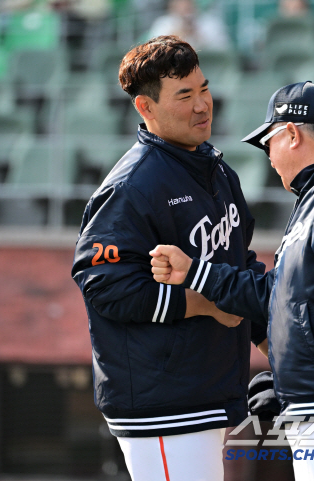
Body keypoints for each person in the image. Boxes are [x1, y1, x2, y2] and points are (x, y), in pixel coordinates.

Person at [150, 81, 314, 481]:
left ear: (291, 134)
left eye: (268, 143)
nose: (269, 160)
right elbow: (278, 298)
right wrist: (195, 272)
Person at [71, 36, 267, 481]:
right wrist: (201, 304)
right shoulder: (133, 185)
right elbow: (103, 285)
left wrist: (266, 335)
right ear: (146, 107)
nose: (203, 105)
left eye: (204, 89)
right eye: (185, 95)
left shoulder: (216, 169)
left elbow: (237, 260)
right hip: (162, 401)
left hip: (205, 389)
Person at [148, 0, 232, 51]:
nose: (185, 6)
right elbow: (152, 49)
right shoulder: (163, 23)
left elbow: (224, 50)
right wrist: (175, 37)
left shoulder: (210, 22)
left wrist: (198, 37)